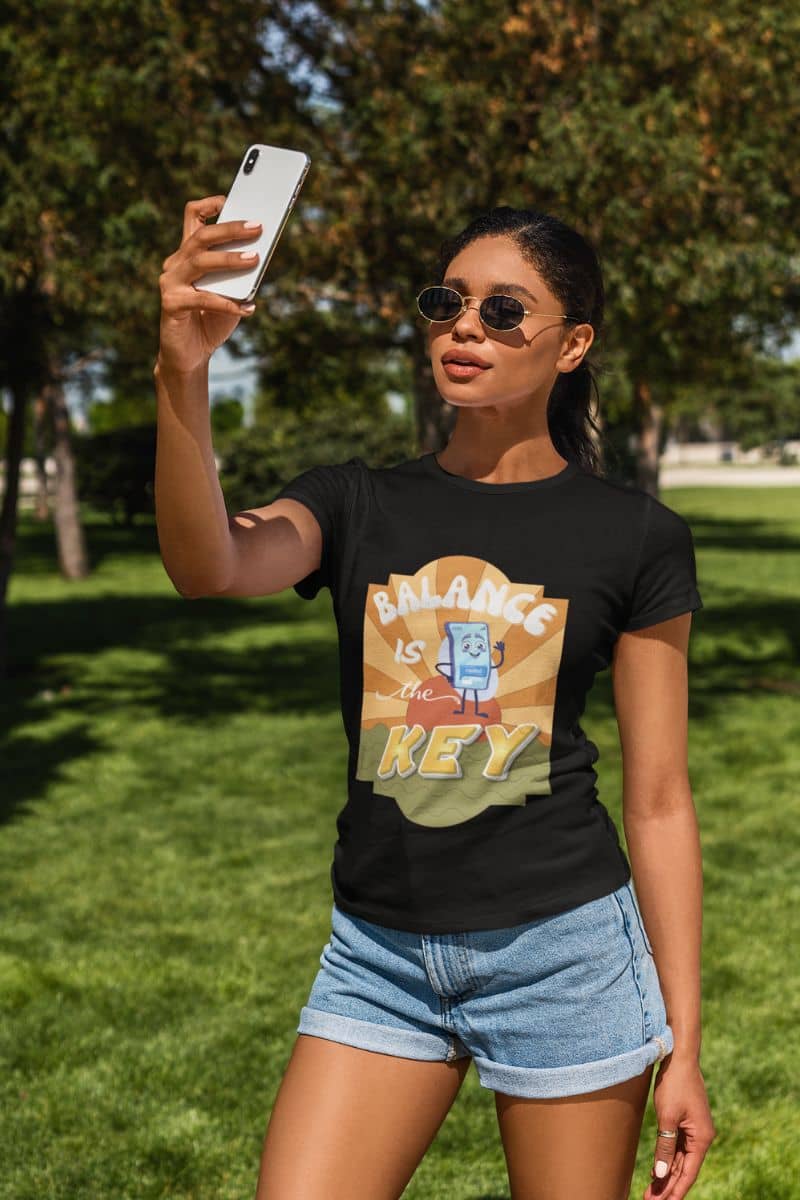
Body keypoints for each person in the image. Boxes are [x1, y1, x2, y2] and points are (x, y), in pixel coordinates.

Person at [154, 196, 717, 1200]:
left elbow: (660, 799)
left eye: (504, 311)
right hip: (378, 954)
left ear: (572, 343)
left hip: (564, 957)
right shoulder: (353, 501)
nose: (464, 326)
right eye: (445, 302)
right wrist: (182, 370)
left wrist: (682, 1043)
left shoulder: (632, 536)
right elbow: (210, 564)